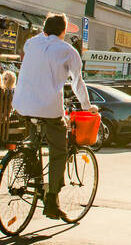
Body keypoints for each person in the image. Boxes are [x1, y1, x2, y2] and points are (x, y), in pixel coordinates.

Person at [12, 12, 94, 221]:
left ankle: (31, 170)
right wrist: (87, 106)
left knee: (32, 141)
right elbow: (77, 82)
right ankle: (51, 199)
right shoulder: (68, 51)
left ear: (44, 28)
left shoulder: (31, 43)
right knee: (59, 150)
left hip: (22, 104)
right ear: (64, 31)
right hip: (49, 108)